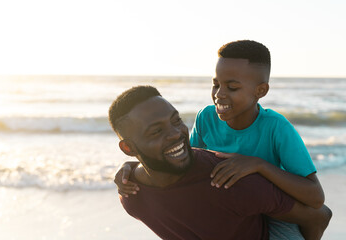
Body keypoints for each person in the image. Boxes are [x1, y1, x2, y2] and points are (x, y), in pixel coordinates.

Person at [114, 40, 325, 238]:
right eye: (216, 84)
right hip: (231, 207)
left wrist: (259, 165)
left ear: (260, 91)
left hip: (276, 212)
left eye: (232, 87)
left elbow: (316, 198)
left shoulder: (276, 128)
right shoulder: (207, 117)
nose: (219, 94)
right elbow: (185, 160)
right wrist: (134, 166)